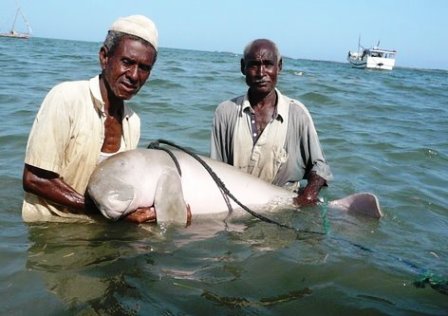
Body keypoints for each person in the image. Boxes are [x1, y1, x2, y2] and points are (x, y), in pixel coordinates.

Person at [22, 15, 159, 223]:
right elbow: (35, 179)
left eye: (144, 68)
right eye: (127, 62)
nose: (134, 75)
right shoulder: (66, 98)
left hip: (99, 233)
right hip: (51, 231)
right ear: (104, 57)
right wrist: (103, 211)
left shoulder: (133, 122)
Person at [210, 39, 332, 207]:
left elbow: (320, 167)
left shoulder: (297, 114)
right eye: (253, 65)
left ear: (279, 66)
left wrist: (308, 195)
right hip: (237, 205)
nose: (261, 73)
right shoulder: (225, 112)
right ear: (242, 67)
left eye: (268, 64)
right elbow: (216, 170)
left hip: (284, 208)